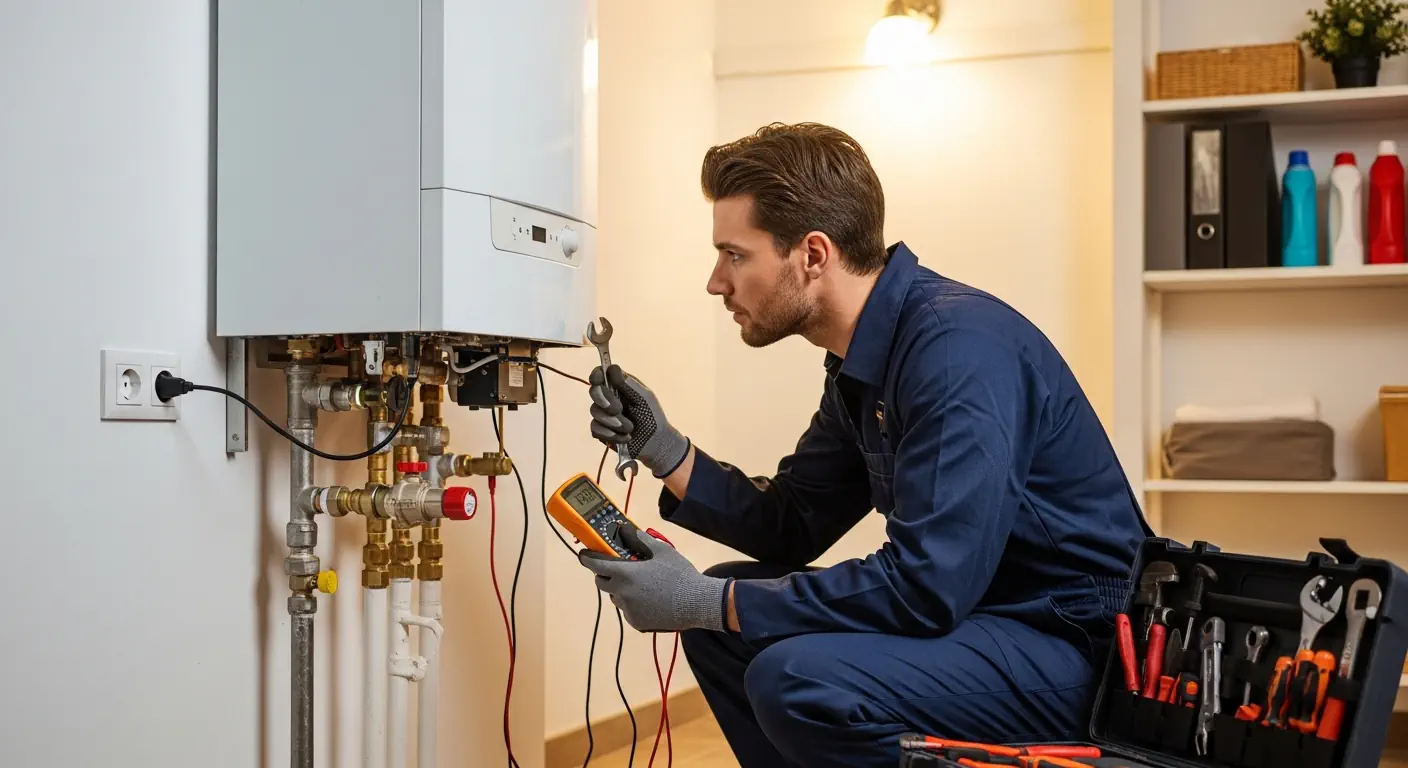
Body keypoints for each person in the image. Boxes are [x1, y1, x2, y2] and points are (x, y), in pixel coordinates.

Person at [577, 122, 1153, 768]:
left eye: (735, 254)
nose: (717, 281)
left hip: (1079, 649)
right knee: (723, 633)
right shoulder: (866, 362)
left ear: (813, 255)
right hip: (983, 619)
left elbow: (926, 587)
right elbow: (793, 522)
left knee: (795, 678)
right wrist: (668, 452)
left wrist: (710, 602)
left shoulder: (955, 352)